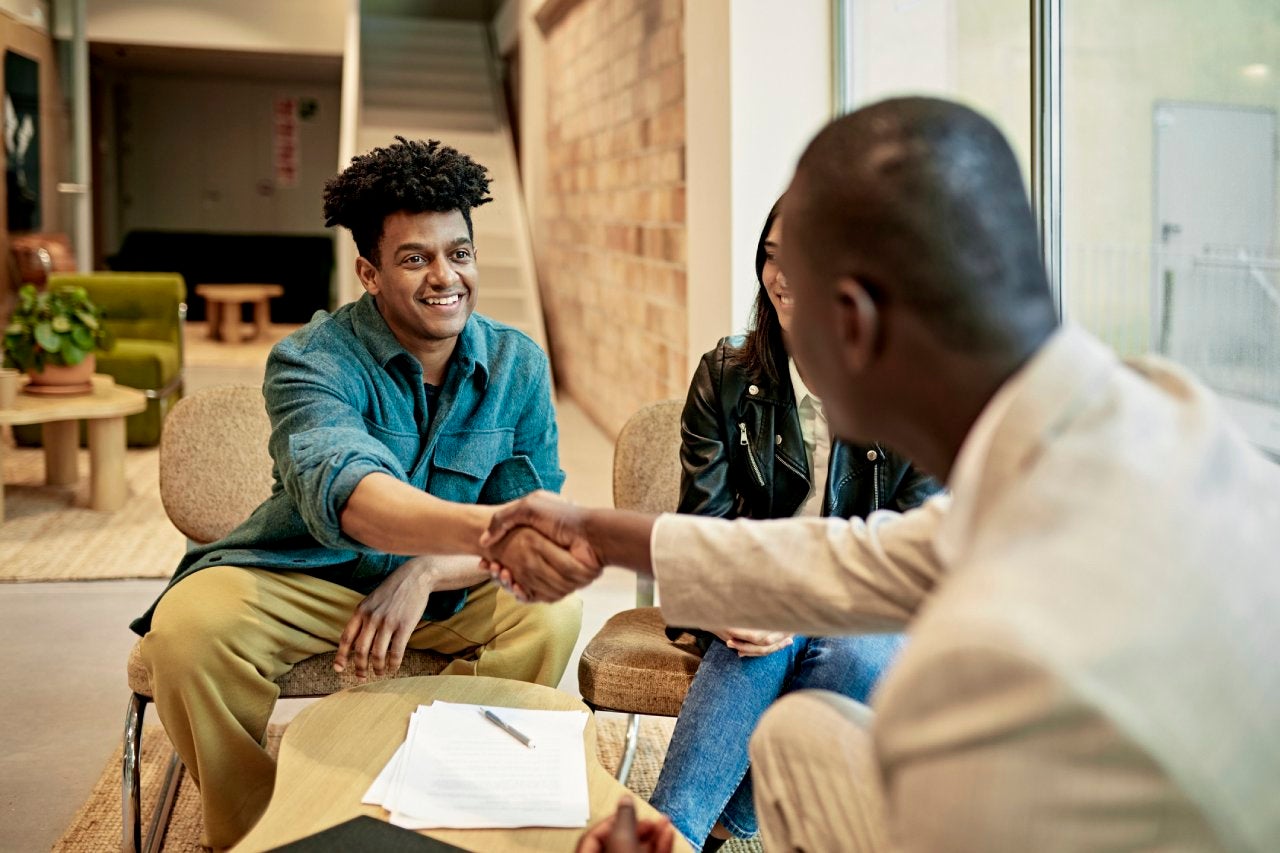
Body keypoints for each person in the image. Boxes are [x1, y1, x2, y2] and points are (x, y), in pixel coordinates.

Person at [481, 99, 1280, 852]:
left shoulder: (975, 679)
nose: (777, 305)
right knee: (797, 734)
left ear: (852, 323)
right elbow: (864, 556)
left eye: (794, 287)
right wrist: (596, 530)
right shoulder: (1151, 415)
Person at [132, 137, 585, 849]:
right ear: (369, 273)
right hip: (307, 574)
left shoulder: (517, 363)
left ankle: (459, 794)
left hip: (449, 592)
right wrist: (497, 535)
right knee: (186, 632)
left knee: (551, 613)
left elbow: (526, 540)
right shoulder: (310, 359)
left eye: (459, 253)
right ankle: (259, 825)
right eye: (416, 258)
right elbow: (352, 493)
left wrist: (429, 569)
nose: (446, 277)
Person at [649, 199, 938, 852]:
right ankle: (671, 835)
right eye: (772, 255)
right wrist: (732, 605)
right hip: (755, 598)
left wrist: (802, 602)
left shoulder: (912, 391)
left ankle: (714, 826)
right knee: (758, 636)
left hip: (868, 611)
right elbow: (705, 530)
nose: (782, 275)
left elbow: (916, 557)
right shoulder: (726, 377)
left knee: (854, 649)